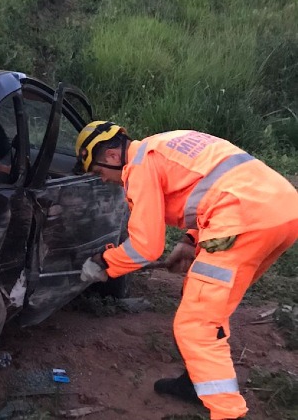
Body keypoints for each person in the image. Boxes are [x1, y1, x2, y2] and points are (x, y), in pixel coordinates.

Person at [75, 121, 298, 420]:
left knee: (196, 325)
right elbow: (210, 186)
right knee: (208, 306)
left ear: (113, 156)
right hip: (280, 213)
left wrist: (105, 264)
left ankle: (228, 413)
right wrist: (190, 241)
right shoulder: (163, 144)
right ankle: (195, 383)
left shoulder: (138, 168)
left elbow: (145, 248)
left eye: (99, 173)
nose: (103, 181)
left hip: (241, 220)